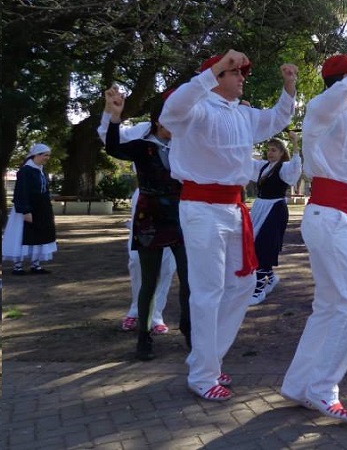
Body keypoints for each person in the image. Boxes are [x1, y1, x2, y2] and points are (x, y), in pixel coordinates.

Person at [160, 51, 296, 401]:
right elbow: (170, 112)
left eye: (241, 74)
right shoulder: (196, 108)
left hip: (233, 209)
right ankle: (203, 375)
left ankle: (206, 359)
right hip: (201, 207)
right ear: (218, 75)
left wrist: (289, 86)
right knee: (207, 292)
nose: (242, 78)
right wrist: (211, 70)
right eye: (235, 73)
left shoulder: (242, 113)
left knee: (243, 284)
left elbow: (278, 118)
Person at [281, 53, 347, 422]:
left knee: (329, 305)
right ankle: (322, 388)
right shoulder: (323, 107)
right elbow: (329, 99)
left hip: (334, 216)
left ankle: (299, 385)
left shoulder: (341, 116)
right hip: (328, 216)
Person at [103, 87, 191, 359]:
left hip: (181, 216)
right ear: (157, 121)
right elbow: (113, 146)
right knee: (149, 280)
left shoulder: (185, 146)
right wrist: (114, 116)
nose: (175, 127)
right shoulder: (143, 147)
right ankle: (144, 336)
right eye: (171, 121)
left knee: (189, 280)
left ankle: (190, 333)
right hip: (149, 217)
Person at [97, 103, 176, 334]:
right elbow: (109, 139)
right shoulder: (141, 131)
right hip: (146, 199)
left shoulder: (186, 132)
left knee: (167, 263)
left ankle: (156, 315)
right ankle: (136, 310)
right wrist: (111, 112)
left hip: (176, 201)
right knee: (136, 259)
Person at [249, 132, 302, 305]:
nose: (270, 153)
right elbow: (245, 162)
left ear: (281, 153)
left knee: (264, 246)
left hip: (274, 209)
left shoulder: (284, 168)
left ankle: (258, 290)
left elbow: (295, 169)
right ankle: (270, 278)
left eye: (274, 150)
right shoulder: (263, 167)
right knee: (256, 243)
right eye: (268, 150)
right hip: (260, 208)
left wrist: (295, 143)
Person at [2, 143, 57, 275]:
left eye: (48, 155)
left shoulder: (41, 170)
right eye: (45, 155)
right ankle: (18, 266)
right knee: (22, 235)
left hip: (41, 209)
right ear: (36, 155)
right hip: (27, 208)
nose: (47, 158)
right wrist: (25, 210)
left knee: (39, 235)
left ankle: (35, 265)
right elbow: (21, 192)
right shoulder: (26, 171)